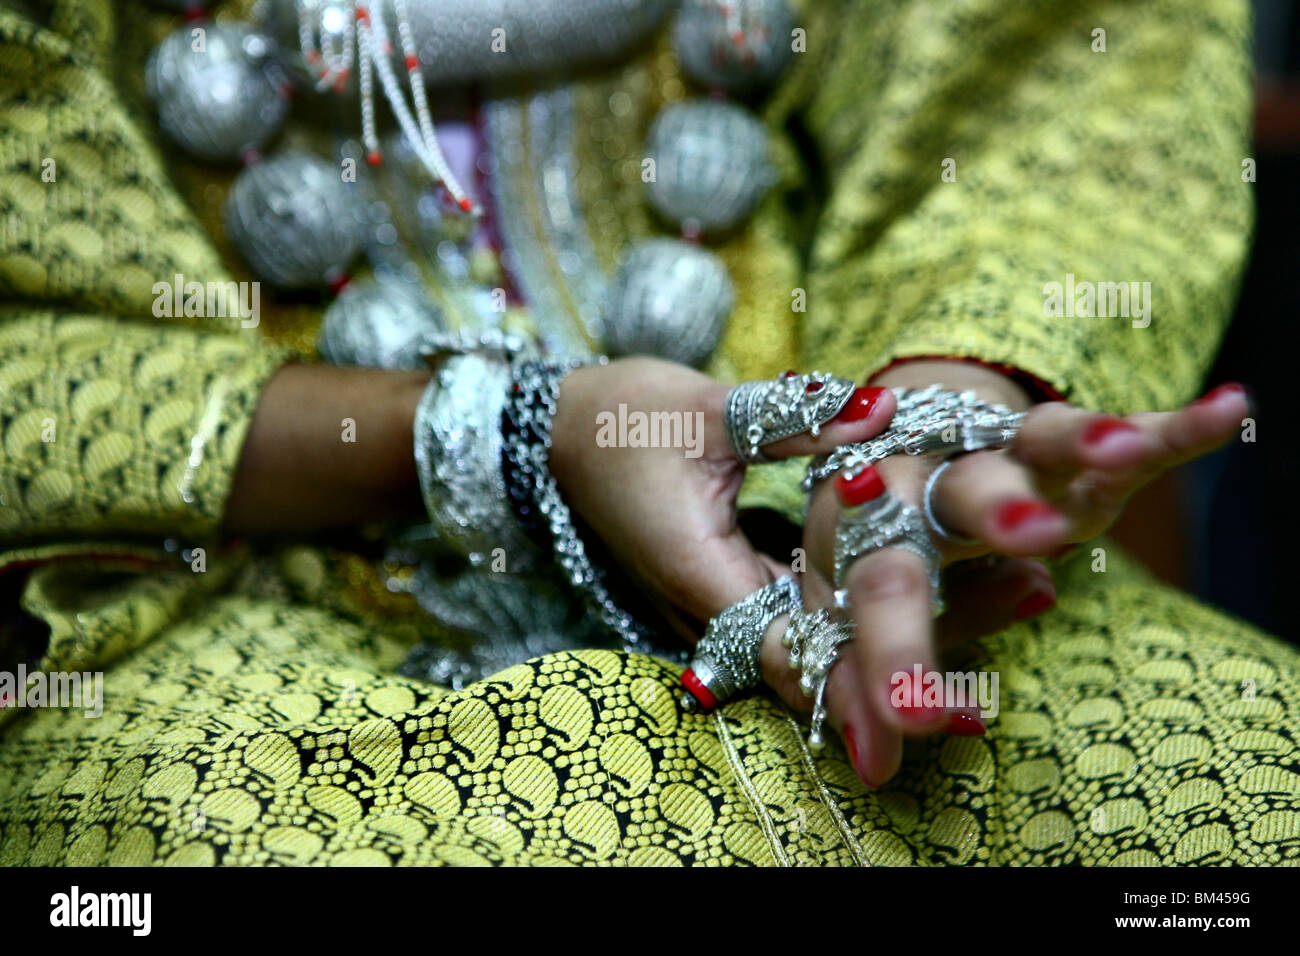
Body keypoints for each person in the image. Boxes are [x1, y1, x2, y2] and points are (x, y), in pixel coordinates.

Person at [0, 0, 1293, 867]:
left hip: (817, 506)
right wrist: (512, 434)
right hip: (223, 570)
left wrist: (930, 416)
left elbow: (1043, 91)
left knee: (1239, 787)